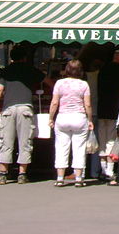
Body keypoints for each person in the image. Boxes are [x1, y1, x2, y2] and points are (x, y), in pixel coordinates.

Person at [0, 45, 45, 185]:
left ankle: (3, 174)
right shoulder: (30, 69)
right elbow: (46, 81)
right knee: (25, 141)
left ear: (11, 57)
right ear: (25, 57)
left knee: (5, 141)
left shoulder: (6, 71)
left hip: (8, 108)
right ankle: (22, 174)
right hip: (25, 107)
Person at [48, 59, 93, 187]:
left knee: (61, 147)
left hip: (63, 117)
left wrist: (51, 118)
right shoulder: (84, 84)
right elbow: (88, 104)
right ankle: (79, 178)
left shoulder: (59, 83)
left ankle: (60, 177)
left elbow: (55, 102)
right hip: (79, 117)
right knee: (79, 148)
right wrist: (90, 119)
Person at [97, 48, 119, 181]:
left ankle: (102, 169)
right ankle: (109, 171)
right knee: (112, 140)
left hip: (102, 109)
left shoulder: (103, 70)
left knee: (102, 139)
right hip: (114, 110)